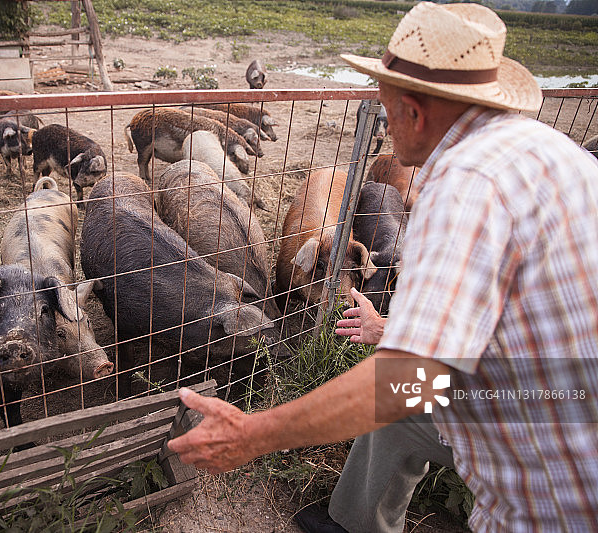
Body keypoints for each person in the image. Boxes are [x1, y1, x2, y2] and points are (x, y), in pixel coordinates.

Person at [167, 3, 598, 532]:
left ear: (414, 112)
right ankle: (355, 523)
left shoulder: (465, 187)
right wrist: (393, 330)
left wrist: (253, 434)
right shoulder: (551, 149)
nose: (382, 117)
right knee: (401, 412)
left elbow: (409, 377)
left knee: (397, 395)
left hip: (560, 482)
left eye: (385, 103)